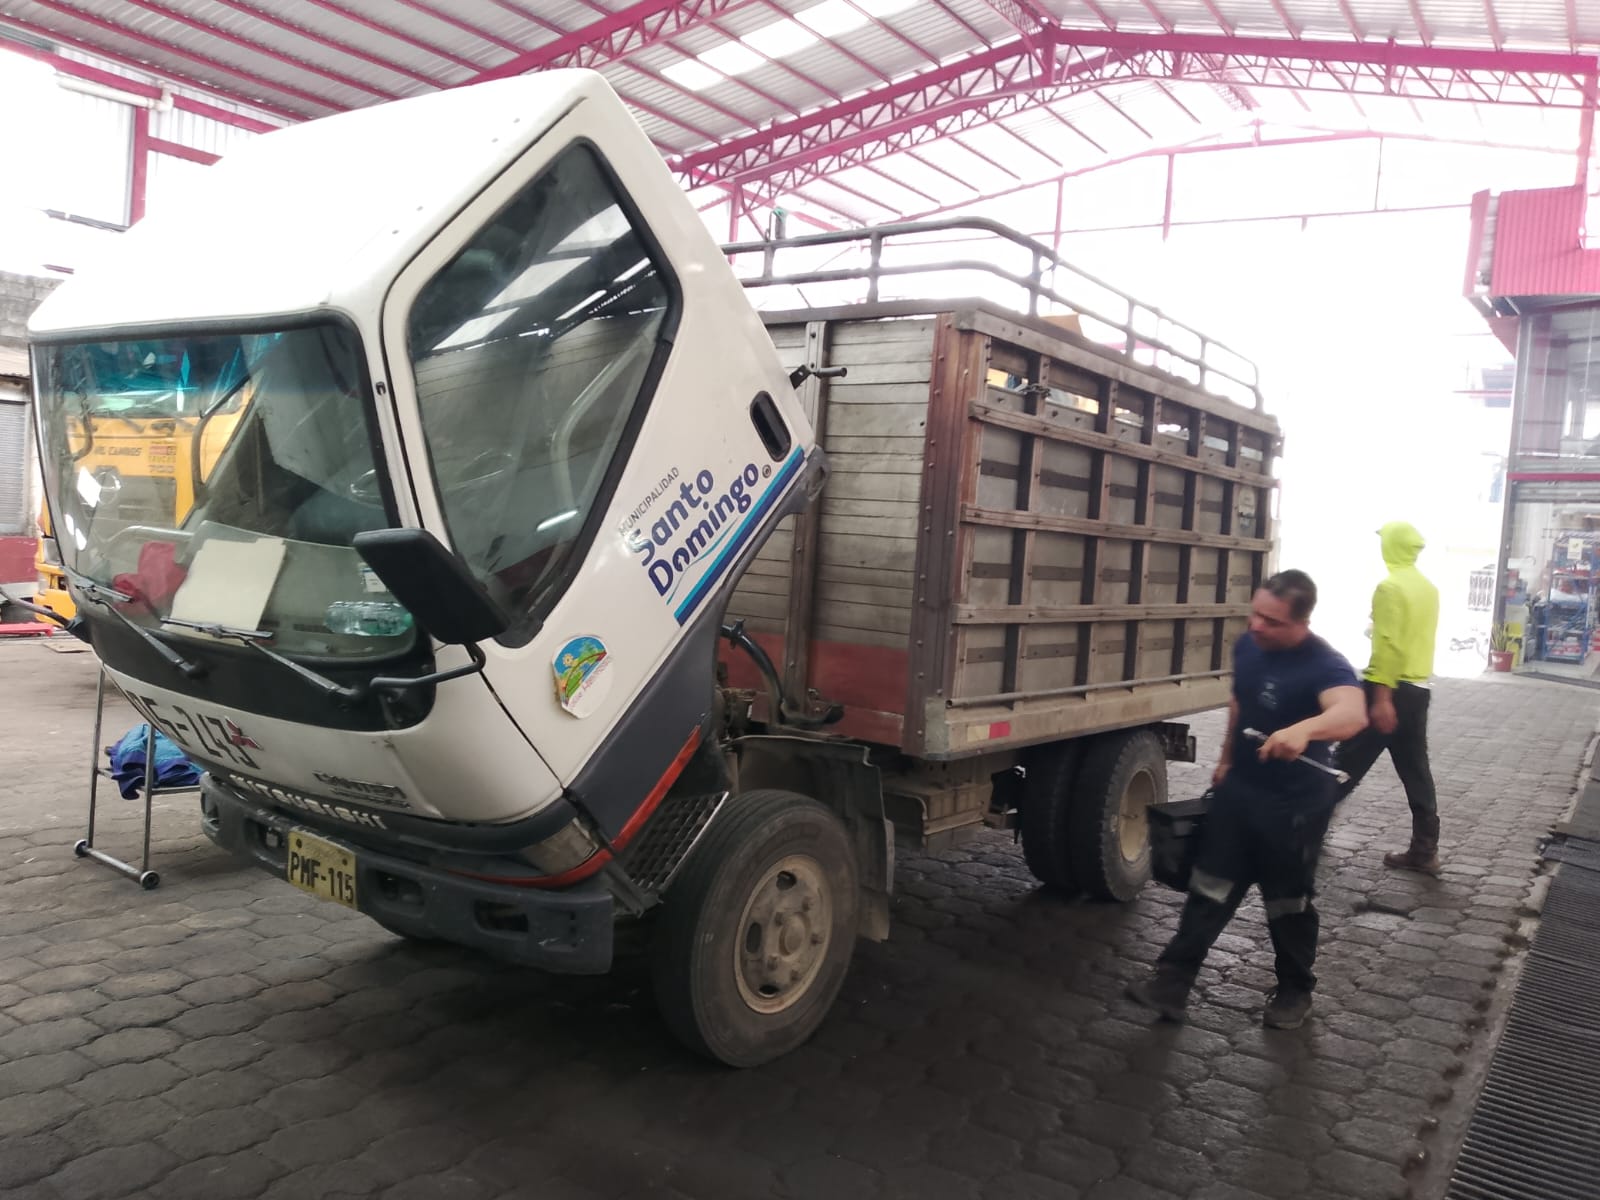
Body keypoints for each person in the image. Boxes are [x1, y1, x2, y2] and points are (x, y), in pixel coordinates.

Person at [1128, 570, 1367, 1030]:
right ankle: (1172, 983)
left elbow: (1351, 713)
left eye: (1272, 621)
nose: (1257, 625)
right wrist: (1224, 759)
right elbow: (1240, 704)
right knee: (1209, 885)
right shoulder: (1249, 645)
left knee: (1287, 900)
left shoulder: (1324, 664)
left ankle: (1295, 991)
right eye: (1255, 613)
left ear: (1301, 623)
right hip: (1240, 793)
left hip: (1294, 806)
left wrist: (1304, 730)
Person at [1335, 522, 1442, 873]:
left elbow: (1389, 646)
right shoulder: (1427, 588)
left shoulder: (1390, 587)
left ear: (1392, 546)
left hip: (1388, 688)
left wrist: (1381, 698)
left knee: (1346, 762)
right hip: (1418, 690)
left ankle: (1300, 831)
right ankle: (1425, 849)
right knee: (1416, 769)